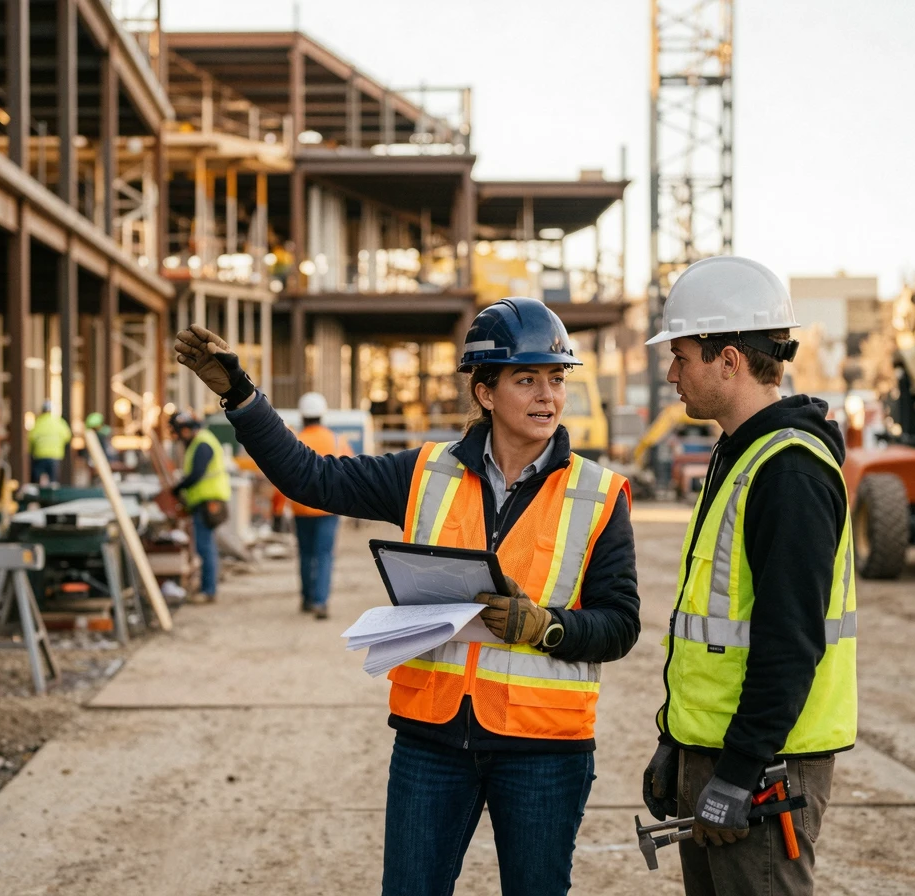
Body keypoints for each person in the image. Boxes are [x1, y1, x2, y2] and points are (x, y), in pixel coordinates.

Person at [176, 297, 640, 896]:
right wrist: (242, 398)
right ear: (485, 392)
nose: (547, 395)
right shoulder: (425, 472)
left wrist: (544, 626)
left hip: (544, 750)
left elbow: (619, 623)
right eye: (526, 379)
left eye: (556, 378)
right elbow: (311, 477)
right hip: (432, 741)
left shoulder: (599, 494)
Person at [640, 256, 857, 896]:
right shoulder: (740, 454)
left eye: (681, 357)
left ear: (729, 360)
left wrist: (737, 772)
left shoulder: (788, 471)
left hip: (763, 769)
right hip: (721, 754)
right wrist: (676, 742)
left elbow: (790, 641)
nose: (672, 374)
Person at [282, 391, 355, 619]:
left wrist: (276, 509)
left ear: (302, 416)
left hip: (301, 508)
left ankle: (307, 598)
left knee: (305, 554)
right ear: (323, 415)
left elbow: (281, 476)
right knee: (324, 555)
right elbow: (352, 472)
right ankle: (320, 602)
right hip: (328, 508)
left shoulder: (294, 439)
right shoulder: (337, 440)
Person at [170, 411, 231, 603]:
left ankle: (208, 590)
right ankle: (207, 587)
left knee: (205, 547)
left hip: (208, 501)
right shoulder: (200, 441)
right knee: (206, 545)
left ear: (186, 430)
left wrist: (178, 487)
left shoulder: (202, 443)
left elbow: (197, 474)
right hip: (205, 501)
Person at [28, 400, 72, 484]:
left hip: (40, 455)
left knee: (38, 479)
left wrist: (31, 451)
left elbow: (31, 438)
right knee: (53, 480)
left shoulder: (38, 422)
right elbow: (67, 436)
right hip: (55, 455)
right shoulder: (59, 422)